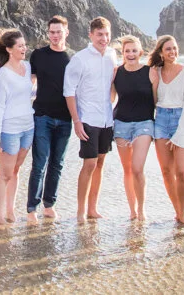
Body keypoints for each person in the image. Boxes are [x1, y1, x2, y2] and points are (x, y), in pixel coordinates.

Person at [64, 16, 119, 223]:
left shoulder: (112, 56)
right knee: (89, 163)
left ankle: (92, 208)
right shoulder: (80, 59)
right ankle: (80, 211)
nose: (103, 38)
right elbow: (68, 91)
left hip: (106, 118)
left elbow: (114, 84)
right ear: (91, 35)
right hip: (87, 118)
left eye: (106, 34)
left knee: (100, 162)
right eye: (99, 35)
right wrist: (76, 121)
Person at [26, 16, 73, 222]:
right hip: (42, 116)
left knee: (57, 163)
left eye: (58, 32)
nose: (55, 36)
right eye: (52, 32)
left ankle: (49, 204)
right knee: (40, 163)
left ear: (66, 33)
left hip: (65, 118)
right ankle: (31, 209)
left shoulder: (72, 58)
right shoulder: (38, 55)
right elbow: (27, 82)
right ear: (48, 33)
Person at [0, 29, 34, 225]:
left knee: (16, 170)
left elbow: (28, 92)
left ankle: (10, 210)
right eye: (20, 46)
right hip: (9, 130)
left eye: (24, 45)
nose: (24, 48)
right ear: (9, 50)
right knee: (5, 173)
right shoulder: (3, 75)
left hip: (28, 127)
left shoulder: (28, 67)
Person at [149, 34, 184, 225]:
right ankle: (177, 211)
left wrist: (179, 133)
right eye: (168, 49)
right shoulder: (156, 72)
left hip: (181, 120)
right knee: (167, 171)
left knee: (181, 171)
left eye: (175, 48)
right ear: (161, 52)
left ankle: (182, 212)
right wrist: (154, 83)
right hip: (160, 120)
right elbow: (153, 102)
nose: (172, 52)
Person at [111, 35, 155, 221]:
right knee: (127, 170)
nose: (130, 54)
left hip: (144, 124)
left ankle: (142, 208)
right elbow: (110, 99)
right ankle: (132, 210)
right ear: (123, 53)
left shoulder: (150, 72)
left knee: (137, 168)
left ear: (141, 52)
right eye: (127, 51)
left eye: (134, 51)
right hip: (121, 124)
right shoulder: (116, 72)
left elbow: (157, 99)